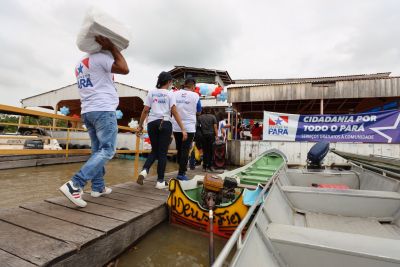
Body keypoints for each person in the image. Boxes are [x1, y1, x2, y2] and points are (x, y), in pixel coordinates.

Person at [59, 36, 129, 208]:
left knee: (97, 150)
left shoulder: (80, 63)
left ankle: (98, 187)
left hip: (88, 111)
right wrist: (113, 47)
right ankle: (75, 184)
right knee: (108, 150)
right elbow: (125, 69)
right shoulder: (101, 58)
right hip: (103, 109)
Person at [136, 71, 187, 189]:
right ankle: (160, 181)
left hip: (152, 123)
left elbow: (145, 110)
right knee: (162, 153)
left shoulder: (151, 93)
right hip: (165, 123)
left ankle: (144, 170)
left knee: (155, 150)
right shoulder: (170, 94)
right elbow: (174, 111)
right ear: (168, 82)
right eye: (171, 82)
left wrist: (140, 125)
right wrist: (183, 128)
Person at [172, 76, 202, 180]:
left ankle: (180, 168)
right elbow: (199, 111)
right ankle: (181, 173)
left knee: (179, 148)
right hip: (189, 127)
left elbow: (171, 108)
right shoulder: (195, 96)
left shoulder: (175, 94)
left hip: (176, 126)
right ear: (193, 86)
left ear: (185, 84)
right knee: (185, 149)